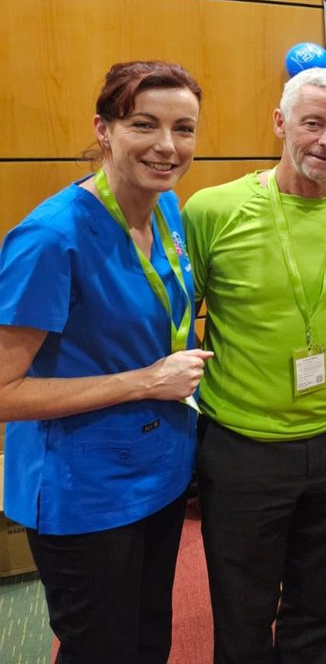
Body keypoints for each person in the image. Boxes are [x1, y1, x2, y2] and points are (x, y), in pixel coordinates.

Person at [0, 61, 210, 662]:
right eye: (145, 124)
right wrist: (146, 381)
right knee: (102, 649)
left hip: (161, 472)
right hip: (83, 490)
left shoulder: (166, 211)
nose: (167, 146)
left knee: (149, 640)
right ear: (104, 129)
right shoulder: (50, 238)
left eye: (184, 129)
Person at [182, 68, 326, 663]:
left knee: (318, 604)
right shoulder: (212, 211)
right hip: (245, 445)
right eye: (313, 123)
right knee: (241, 607)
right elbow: (176, 316)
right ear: (280, 124)